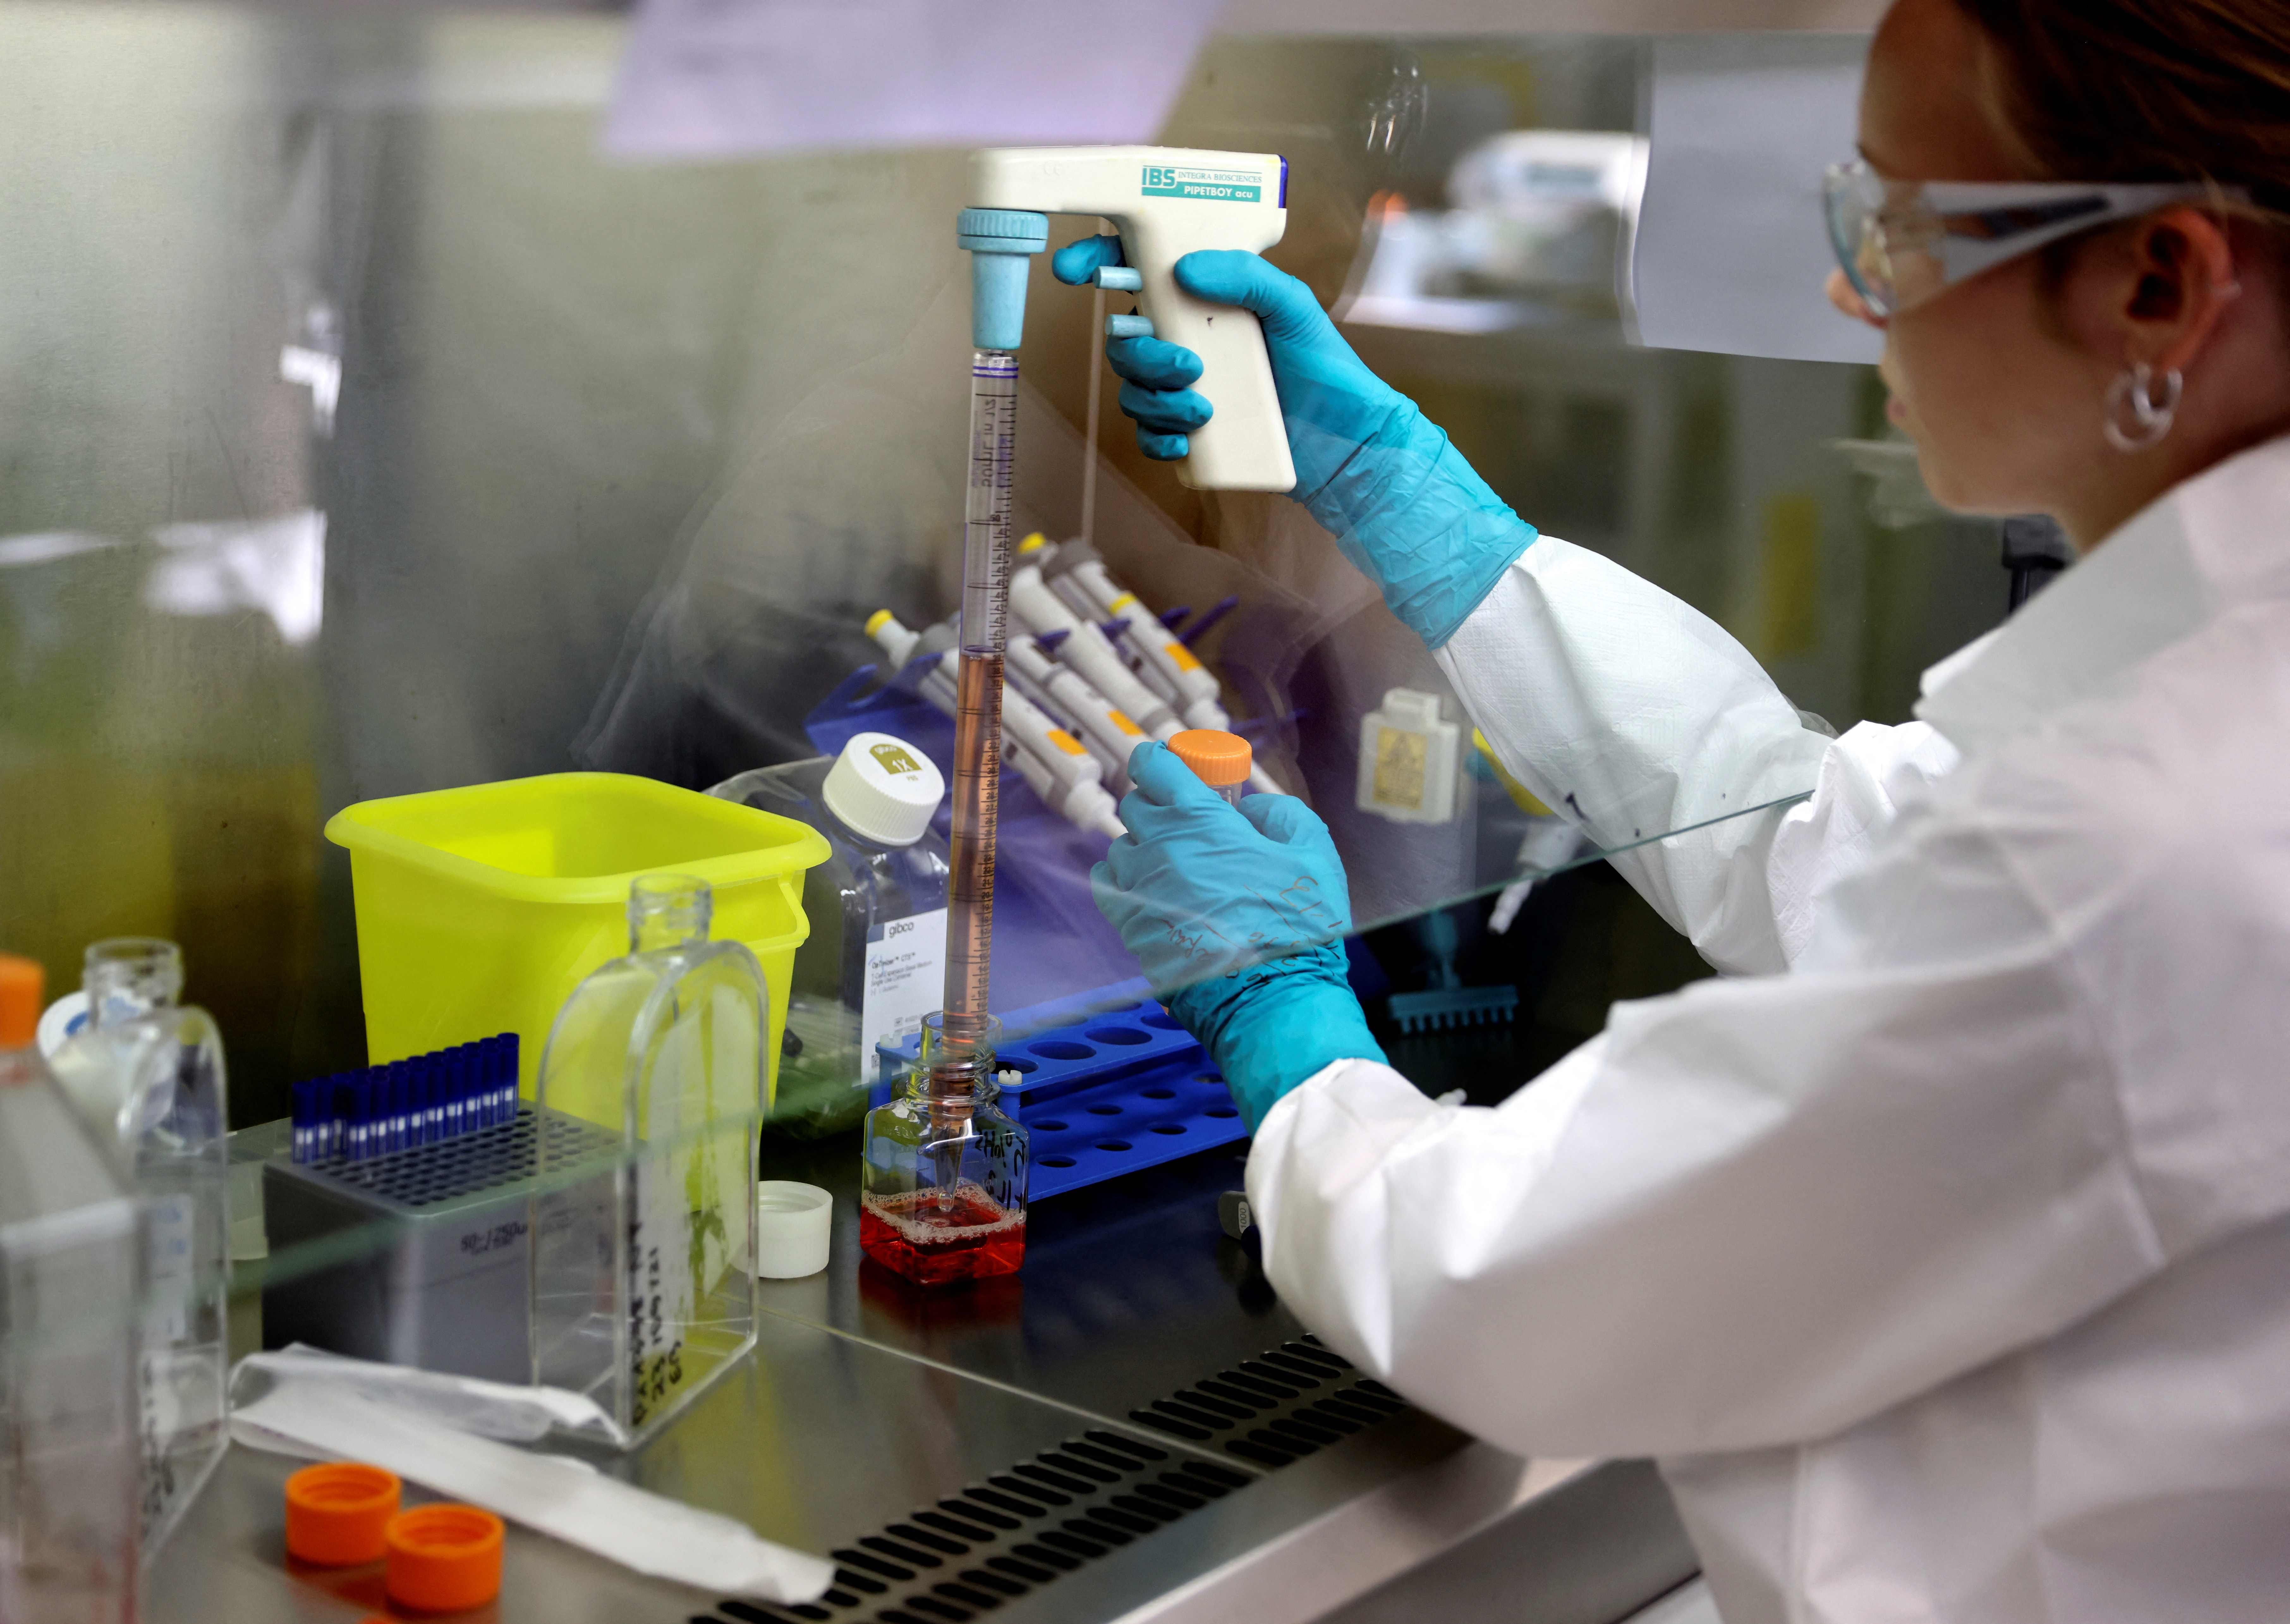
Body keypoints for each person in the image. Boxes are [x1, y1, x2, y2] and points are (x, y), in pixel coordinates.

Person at [1075, 2, 2290, 1620]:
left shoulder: (2143, 842)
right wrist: (1414, 502)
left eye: (1902, 225)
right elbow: (1828, 845)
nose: (1856, 291)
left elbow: (1511, 1286)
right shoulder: (2209, 704)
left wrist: (1284, 1015)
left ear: (2160, 286)